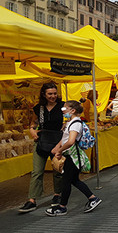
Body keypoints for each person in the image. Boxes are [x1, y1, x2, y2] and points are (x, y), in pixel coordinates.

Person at [45, 101, 102, 216]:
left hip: (72, 157)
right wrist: (57, 147)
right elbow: (66, 138)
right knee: (73, 180)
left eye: (64, 108)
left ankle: (62, 207)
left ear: (73, 110)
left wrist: (59, 151)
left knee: (67, 181)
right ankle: (92, 198)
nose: (63, 111)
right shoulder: (71, 122)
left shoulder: (75, 124)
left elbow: (71, 141)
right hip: (71, 156)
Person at [19, 83, 65, 213]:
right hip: (41, 141)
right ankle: (32, 200)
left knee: (57, 169)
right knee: (37, 171)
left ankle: (57, 195)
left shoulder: (63, 106)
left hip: (57, 142)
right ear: (44, 94)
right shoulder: (38, 108)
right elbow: (33, 124)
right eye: (50, 94)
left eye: (55, 93)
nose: (53, 96)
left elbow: (68, 121)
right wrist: (32, 131)